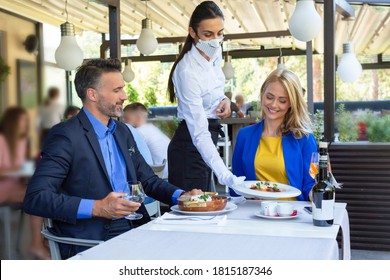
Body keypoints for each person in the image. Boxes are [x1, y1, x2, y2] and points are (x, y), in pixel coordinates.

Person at [23, 59, 201, 259]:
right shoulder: (65, 136)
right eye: (117, 90)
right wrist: (98, 207)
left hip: (136, 225)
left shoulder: (122, 131)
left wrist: (182, 197)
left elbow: (149, 180)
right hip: (93, 237)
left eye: (123, 89)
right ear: (92, 94)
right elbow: (35, 198)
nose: (124, 96)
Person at [167, 1, 244, 191]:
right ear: (193, 32)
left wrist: (224, 100)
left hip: (209, 139)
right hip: (190, 146)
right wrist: (225, 174)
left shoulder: (214, 51)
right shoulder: (187, 71)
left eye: (220, 33)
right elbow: (199, 133)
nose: (215, 40)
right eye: (207, 34)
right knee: (194, 214)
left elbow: (214, 88)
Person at [232, 68, 317, 201]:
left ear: (291, 104)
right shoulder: (244, 136)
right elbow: (235, 185)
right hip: (254, 215)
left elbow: (311, 184)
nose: (273, 104)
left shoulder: (304, 139)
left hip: (291, 215)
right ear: (262, 93)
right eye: (269, 97)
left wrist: (318, 193)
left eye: (282, 101)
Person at [0, 107, 50, 260]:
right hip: (3, 189)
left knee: (46, 193)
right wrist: (17, 169)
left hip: (16, 187)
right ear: (12, 122)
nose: (26, 124)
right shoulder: (1, 140)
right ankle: (37, 244)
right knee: (38, 196)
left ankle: (43, 241)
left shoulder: (22, 142)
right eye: (23, 120)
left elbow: (25, 166)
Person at [123, 103, 170, 178]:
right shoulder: (151, 128)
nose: (123, 121)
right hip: (167, 172)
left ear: (137, 118)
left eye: (126, 118)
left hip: (158, 176)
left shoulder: (138, 132)